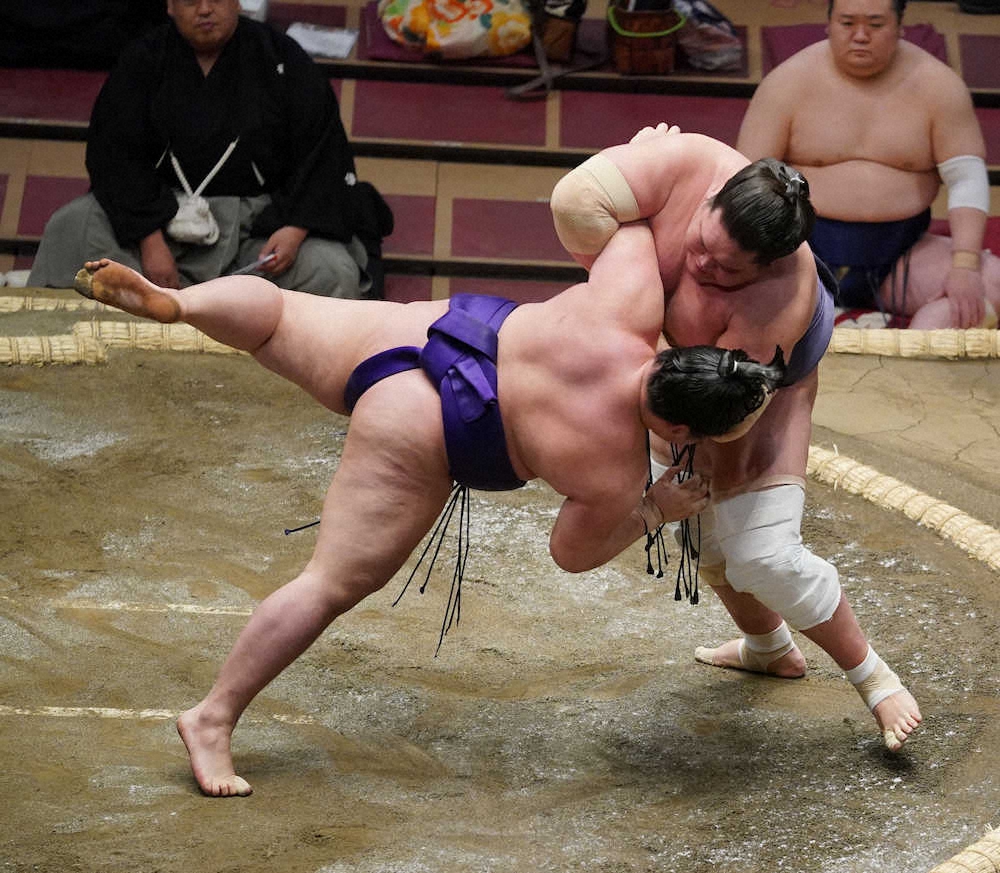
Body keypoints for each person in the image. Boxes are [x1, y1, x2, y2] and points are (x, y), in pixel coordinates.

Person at [72, 222, 785, 796]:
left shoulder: (626, 302)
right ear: (682, 431)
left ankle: (186, 303)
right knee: (328, 585)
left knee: (278, 315)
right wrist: (654, 508)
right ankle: (212, 715)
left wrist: (672, 172)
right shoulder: (613, 468)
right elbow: (569, 552)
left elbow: (617, 208)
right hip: (421, 429)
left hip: (418, 334)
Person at [549, 126, 922, 751]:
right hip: (673, 372)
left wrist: (666, 453)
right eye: (702, 242)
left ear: (767, 266)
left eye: (726, 270)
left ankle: (875, 679)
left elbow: (729, 409)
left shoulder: (779, 301)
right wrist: (630, 199)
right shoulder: (686, 164)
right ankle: (770, 649)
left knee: (762, 553)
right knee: (706, 538)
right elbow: (572, 200)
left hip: (754, 397)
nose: (700, 264)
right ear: (712, 198)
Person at [28, 0, 391, 297]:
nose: (204, 10)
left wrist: (295, 230)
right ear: (169, 6)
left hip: (255, 233)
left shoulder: (281, 59)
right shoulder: (142, 59)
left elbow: (323, 152)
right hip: (157, 226)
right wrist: (150, 241)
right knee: (70, 226)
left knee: (331, 269)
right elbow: (114, 155)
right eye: (190, 1)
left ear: (237, 3)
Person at [737, 0, 999, 329]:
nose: (860, 35)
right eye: (847, 23)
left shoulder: (938, 85)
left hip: (902, 253)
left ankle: (925, 338)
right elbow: (747, 179)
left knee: (993, 284)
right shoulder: (787, 83)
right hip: (799, 253)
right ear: (828, 24)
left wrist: (964, 265)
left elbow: (966, 178)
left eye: (875, 25)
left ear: (900, 28)